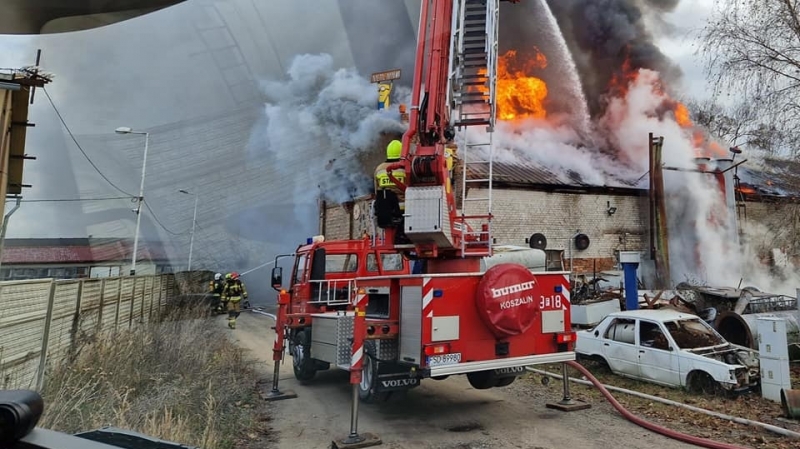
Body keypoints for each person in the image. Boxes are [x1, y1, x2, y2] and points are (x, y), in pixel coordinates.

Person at [374, 139, 406, 229]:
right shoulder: (405, 169)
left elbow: (377, 192)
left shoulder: (379, 169)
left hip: (384, 211)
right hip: (405, 210)